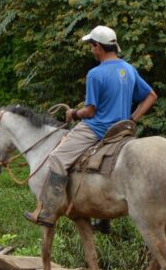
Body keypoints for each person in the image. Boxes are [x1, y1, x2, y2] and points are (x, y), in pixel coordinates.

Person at [24, 25, 158, 226]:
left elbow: (90, 111)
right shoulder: (128, 69)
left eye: (91, 46)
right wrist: (132, 118)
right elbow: (151, 96)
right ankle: (103, 220)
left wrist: (73, 113)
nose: (90, 50)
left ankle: (48, 212)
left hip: (97, 129)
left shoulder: (95, 74)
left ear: (99, 47)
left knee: (57, 157)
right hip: (121, 130)